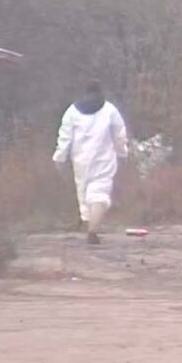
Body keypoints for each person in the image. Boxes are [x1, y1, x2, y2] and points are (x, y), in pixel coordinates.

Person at [52, 80, 129, 244]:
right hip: (104, 159)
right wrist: (122, 154)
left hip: (80, 160)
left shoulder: (71, 112)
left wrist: (60, 158)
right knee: (99, 193)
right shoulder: (110, 110)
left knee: (85, 193)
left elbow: (65, 137)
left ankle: (89, 223)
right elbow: (119, 135)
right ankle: (92, 229)